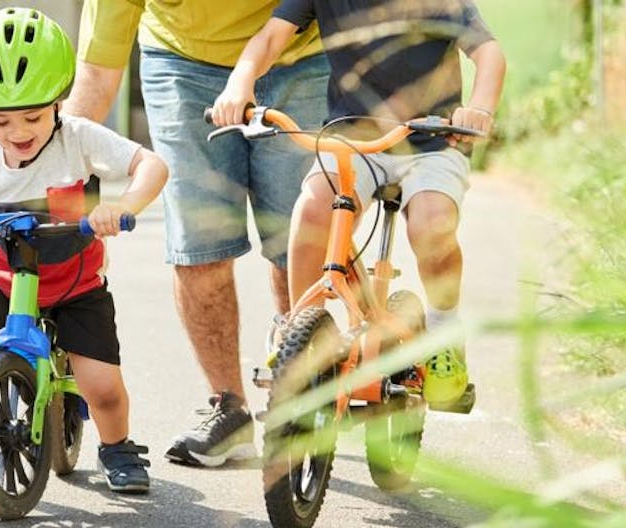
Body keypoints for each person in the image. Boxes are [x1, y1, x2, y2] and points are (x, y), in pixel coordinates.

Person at [0, 7, 169, 493]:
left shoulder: (79, 138)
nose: (18, 132)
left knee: (102, 386)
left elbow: (150, 164)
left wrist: (124, 205)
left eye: (33, 116)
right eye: (1, 120)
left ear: (58, 102)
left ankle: (117, 447)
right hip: (5, 277)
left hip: (74, 282)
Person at [65, 1, 330, 467]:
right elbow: (98, 75)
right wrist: (58, 182)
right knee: (198, 244)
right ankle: (228, 407)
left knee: (298, 237)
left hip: (297, 50)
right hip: (183, 64)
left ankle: (299, 384)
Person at [211, 0, 506, 409]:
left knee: (430, 225)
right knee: (312, 211)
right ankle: (301, 332)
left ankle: (442, 331)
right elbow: (268, 39)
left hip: (432, 140)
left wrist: (480, 108)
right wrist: (238, 84)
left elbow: (488, 52)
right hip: (352, 138)